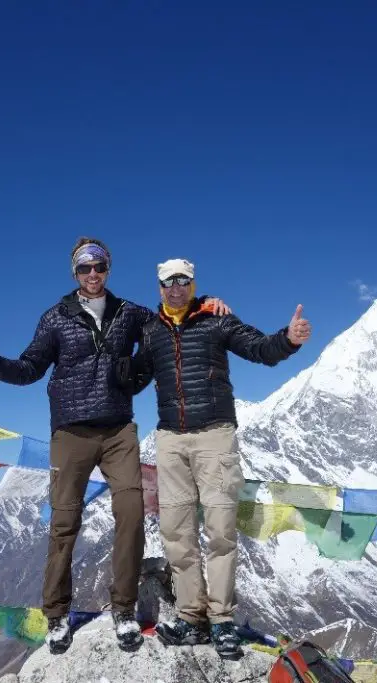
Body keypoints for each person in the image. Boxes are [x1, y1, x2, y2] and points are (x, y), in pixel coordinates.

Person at [0, 239, 230, 655]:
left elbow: (170, 318)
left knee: (130, 515)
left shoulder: (130, 314)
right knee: (64, 524)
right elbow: (30, 368)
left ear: (109, 269)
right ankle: (57, 616)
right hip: (71, 432)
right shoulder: (55, 318)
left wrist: (205, 303)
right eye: (84, 269)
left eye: (100, 267)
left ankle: (124, 610)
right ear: (74, 272)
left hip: (118, 431)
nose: (93, 275)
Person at [123, 257, 311, 659]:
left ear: (193, 284)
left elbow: (259, 348)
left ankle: (222, 620)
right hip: (170, 439)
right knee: (177, 532)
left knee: (221, 531)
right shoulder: (151, 330)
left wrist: (289, 339)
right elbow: (134, 378)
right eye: (168, 281)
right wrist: (104, 364)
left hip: (215, 436)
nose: (176, 287)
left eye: (183, 280)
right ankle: (192, 617)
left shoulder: (217, 319)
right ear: (159, 287)